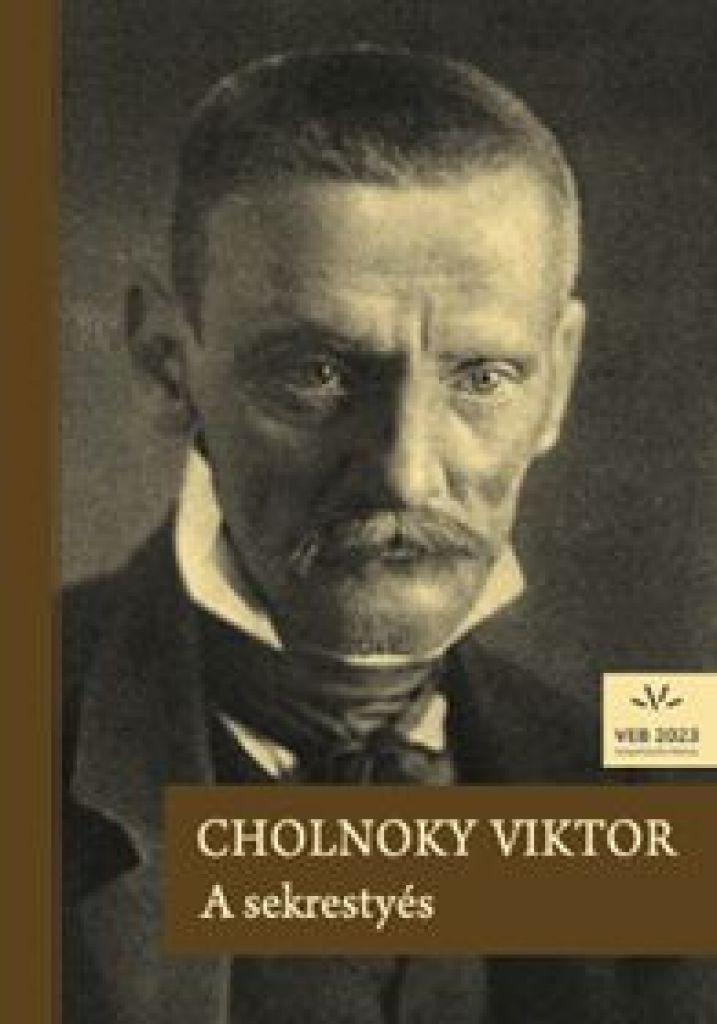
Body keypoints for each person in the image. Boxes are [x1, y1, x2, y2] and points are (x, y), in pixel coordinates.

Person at [62, 45, 716, 1023]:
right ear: (168, 363)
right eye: (318, 374)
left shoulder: (638, 796)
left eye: (482, 378)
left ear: (557, 382)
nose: (407, 472)